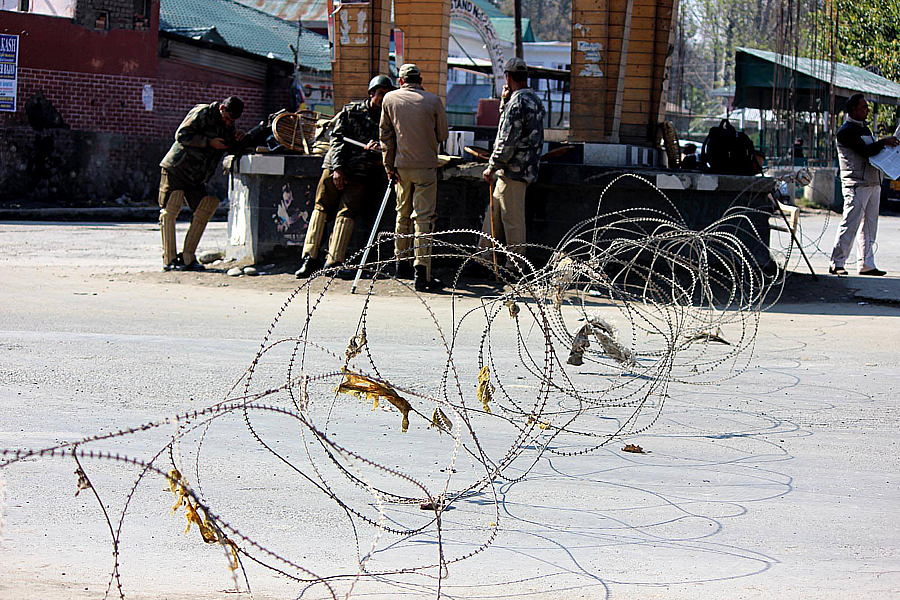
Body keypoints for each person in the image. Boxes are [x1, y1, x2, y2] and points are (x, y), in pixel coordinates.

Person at [295, 75, 395, 279]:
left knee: (347, 214)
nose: (383, 99)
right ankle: (310, 259)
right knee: (321, 209)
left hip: (361, 171)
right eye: (380, 94)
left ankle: (334, 261)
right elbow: (337, 141)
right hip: (335, 167)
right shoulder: (350, 112)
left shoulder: (388, 119)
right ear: (371, 94)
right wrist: (338, 169)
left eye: (387, 95)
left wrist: (378, 148)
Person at [380, 63, 450, 292]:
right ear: (420, 80)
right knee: (423, 219)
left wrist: (388, 166)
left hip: (401, 167)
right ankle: (423, 272)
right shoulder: (433, 100)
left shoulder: (389, 99)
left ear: (401, 81)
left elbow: (386, 136)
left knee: (402, 215)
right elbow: (442, 135)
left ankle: (401, 264)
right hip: (426, 167)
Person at [158, 96, 245, 271]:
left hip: (197, 176)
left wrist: (240, 139)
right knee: (170, 210)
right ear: (221, 108)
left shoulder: (227, 125)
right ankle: (170, 259)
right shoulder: (202, 113)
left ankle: (188, 258)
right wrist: (208, 142)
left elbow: (230, 146)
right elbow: (182, 135)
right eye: (227, 118)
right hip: (177, 168)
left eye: (232, 120)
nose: (228, 122)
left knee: (204, 210)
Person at [478, 57, 545, 279]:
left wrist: (492, 166)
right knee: (494, 215)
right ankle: (484, 258)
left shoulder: (517, 103)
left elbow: (507, 140)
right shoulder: (533, 99)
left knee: (511, 218)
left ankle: (515, 265)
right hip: (522, 168)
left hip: (513, 170)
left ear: (508, 77)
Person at [829, 94, 899, 276]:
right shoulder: (846, 132)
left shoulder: (865, 130)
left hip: (873, 183)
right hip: (856, 184)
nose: (867, 111)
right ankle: (837, 262)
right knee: (850, 224)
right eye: (864, 107)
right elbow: (865, 151)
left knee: (869, 226)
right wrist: (884, 142)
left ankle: (866, 264)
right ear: (853, 110)